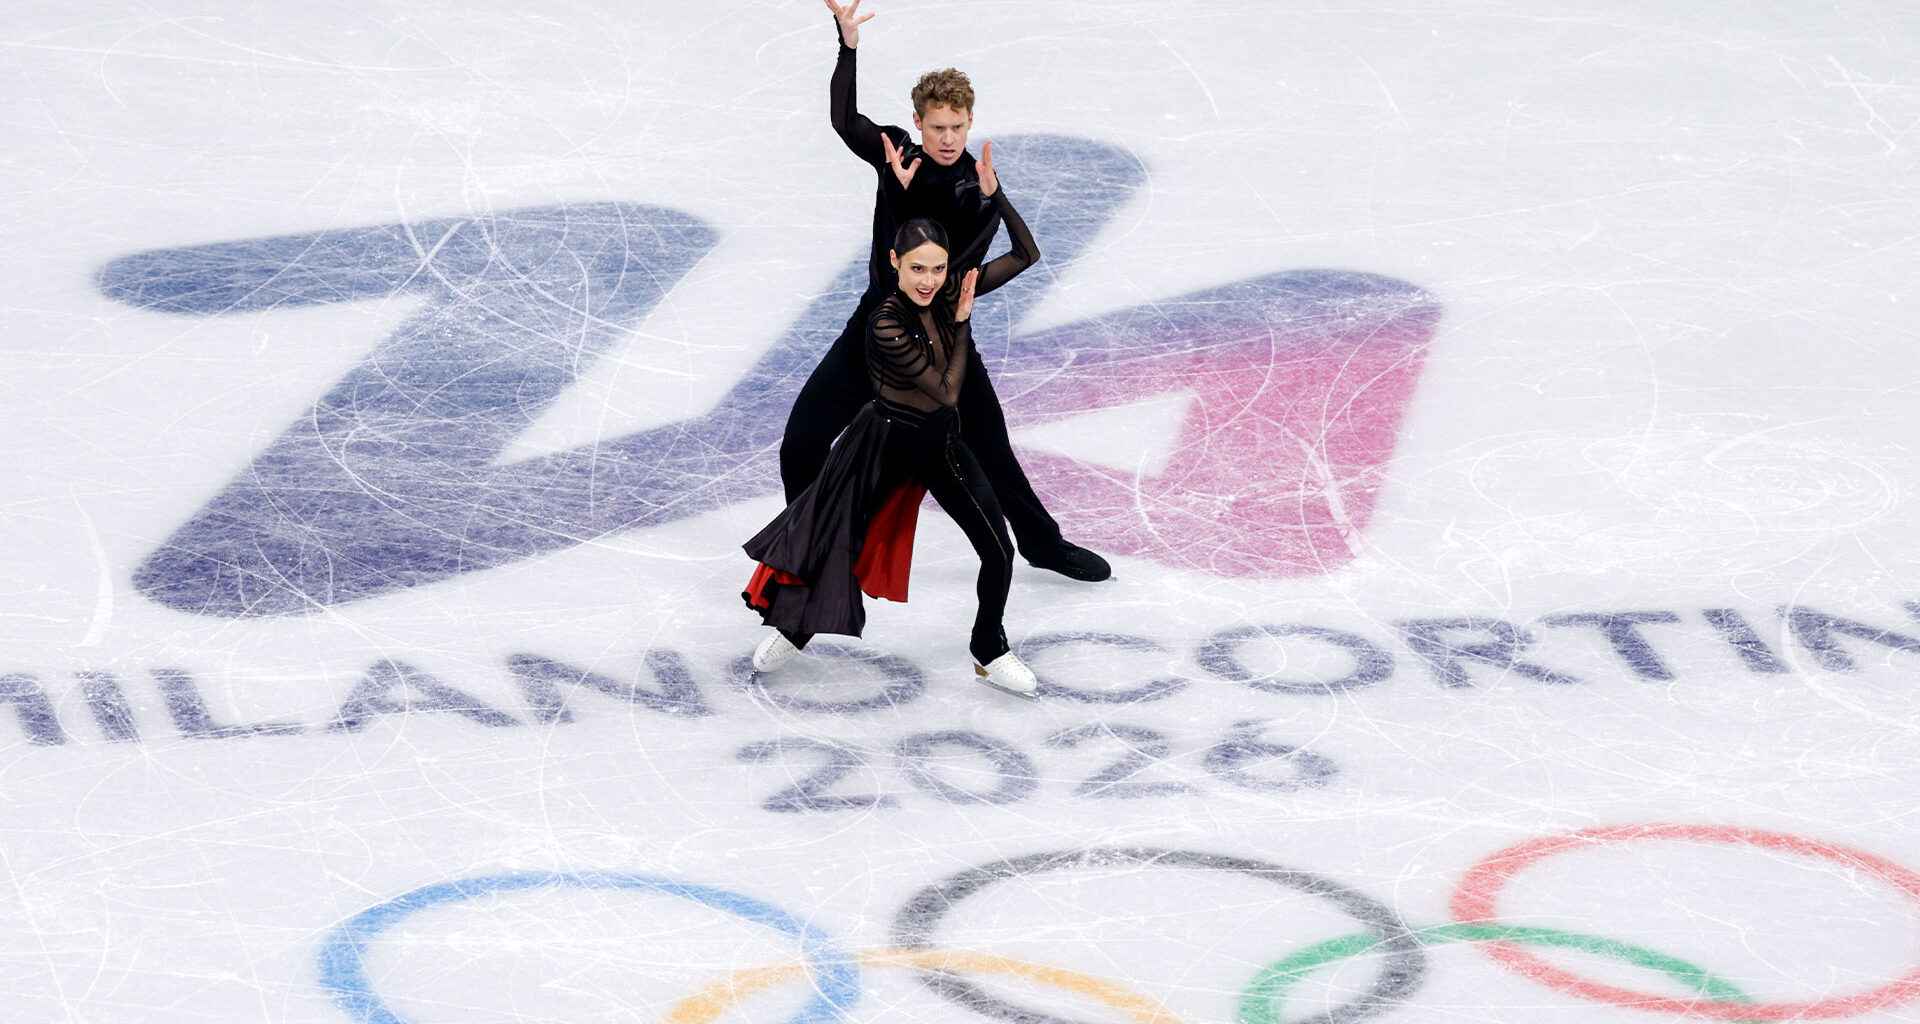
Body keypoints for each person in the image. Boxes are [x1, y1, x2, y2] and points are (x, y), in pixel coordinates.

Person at [777, 0, 1111, 584]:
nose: (948, 138)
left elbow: (954, 275)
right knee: (801, 442)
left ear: (970, 123)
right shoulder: (897, 153)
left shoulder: (971, 186)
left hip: (942, 337)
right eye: (937, 127)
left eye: (958, 127)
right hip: (875, 328)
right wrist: (848, 46)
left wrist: (985, 194)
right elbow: (843, 120)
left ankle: (1043, 545)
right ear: (918, 120)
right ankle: (815, 543)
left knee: (992, 448)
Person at [744, 212, 1040, 698]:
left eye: (939, 269)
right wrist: (962, 324)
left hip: (941, 445)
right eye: (918, 269)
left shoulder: (949, 293)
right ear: (895, 264)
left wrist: (997, 196)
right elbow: (946, 391)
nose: (929, 281)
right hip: (882, 448)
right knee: (835, 545)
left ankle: (988, 649)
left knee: (998, 549)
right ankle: (797, 629)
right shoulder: (884, 321)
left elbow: (1027, 255)